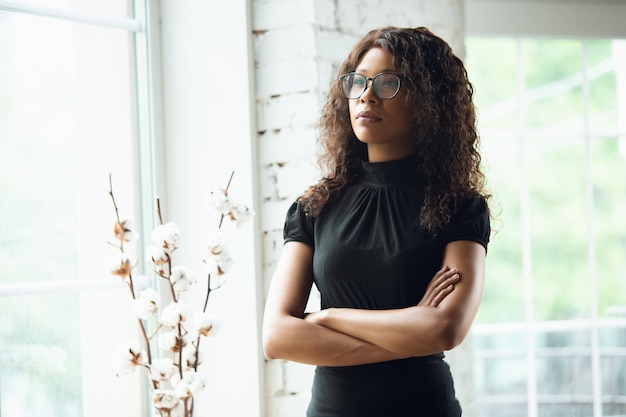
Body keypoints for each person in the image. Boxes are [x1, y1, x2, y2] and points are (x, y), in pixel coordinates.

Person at [262, 26, 491, 417]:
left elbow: (445, 330)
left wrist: (330, 317)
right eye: (358, 83)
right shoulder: (316, 205)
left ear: (427, 99)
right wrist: (410, 329)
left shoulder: (459, 206)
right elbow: (278, 337)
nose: (366, 96)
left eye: (388, 84)